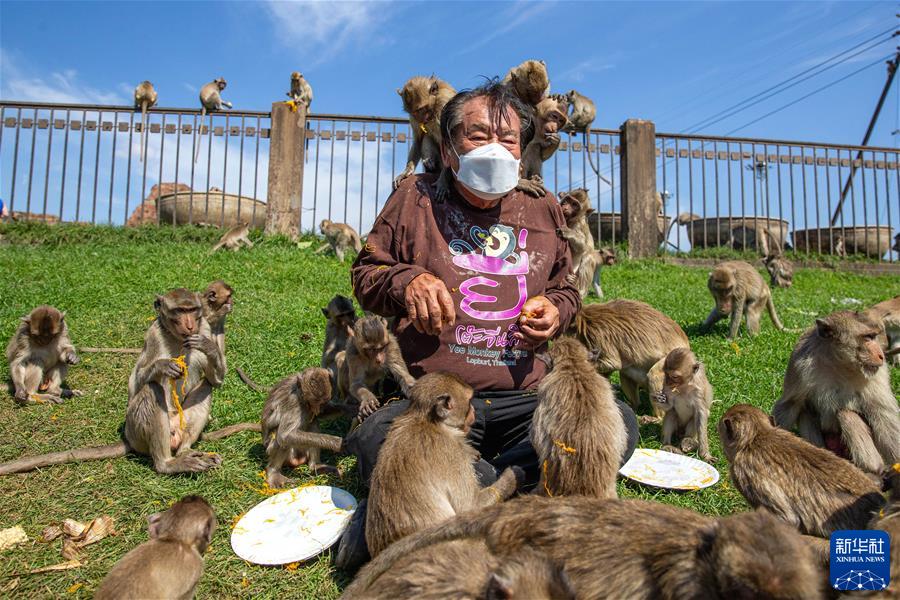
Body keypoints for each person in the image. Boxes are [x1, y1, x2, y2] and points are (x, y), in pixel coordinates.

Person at [337, 80, 639, 568]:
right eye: (478, 136)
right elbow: (366, 273)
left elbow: (567, 289)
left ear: (522, 148)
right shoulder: (415, 197)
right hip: (438, 403)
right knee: (379, 437)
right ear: (449, 148)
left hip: (526, 398)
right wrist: (407, 281)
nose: (495, 148)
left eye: (509, 138)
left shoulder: (542, 206)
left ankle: (459, 493)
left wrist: (555, 310)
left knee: (614, 423)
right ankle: (512, 495)